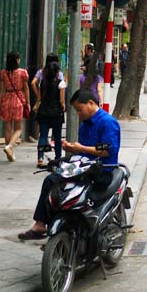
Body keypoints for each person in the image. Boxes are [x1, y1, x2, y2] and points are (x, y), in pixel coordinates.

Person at [19, 89, 121, 240]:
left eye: (80, 109)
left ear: (91, 103)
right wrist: (70, 149)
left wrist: (80, 148)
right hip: (82, 169)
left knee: (78, 193)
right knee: (51, 181)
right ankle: (42, 224)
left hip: (101, 172)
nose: (78, 114)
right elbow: (81, 153)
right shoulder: (84, 125)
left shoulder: (107, 122)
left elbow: (107, 151)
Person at [31, 54, 67, 167]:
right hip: (56, 114)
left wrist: (39, 98)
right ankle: (57, 158)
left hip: (43, 112)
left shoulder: (43, 82)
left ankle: (40, 158)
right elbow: (62, 101)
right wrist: (63, 107)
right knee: (57, 136)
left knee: (43, 135)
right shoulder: (60, 82)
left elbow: (34, 84)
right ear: (56, 71)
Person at [0, 51, 29, 162]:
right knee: (18, 128)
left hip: (6, 99)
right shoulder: (22, 72)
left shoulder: (4, 73)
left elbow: (1, 90)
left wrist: (0, 103)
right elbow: (26, 88)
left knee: (7, 127)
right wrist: (28, 103)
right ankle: (9, 146)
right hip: (18, 100)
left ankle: (9, 154)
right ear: (17, 60)